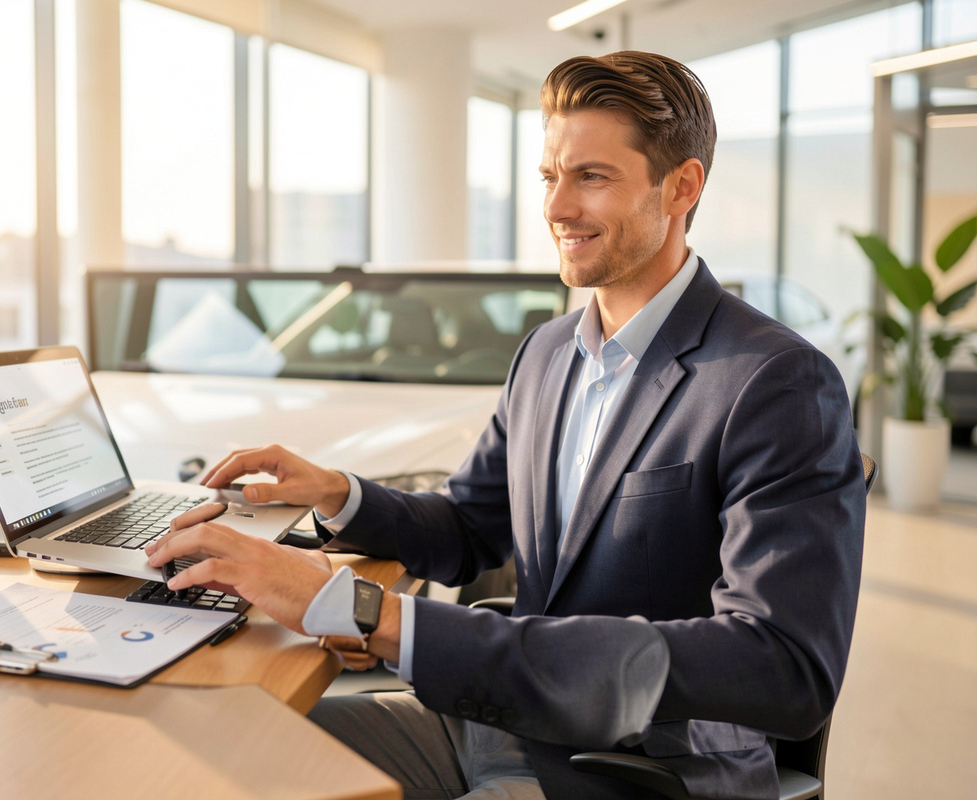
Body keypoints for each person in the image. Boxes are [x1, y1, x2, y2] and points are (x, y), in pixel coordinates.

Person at [145, 50, 867, 799]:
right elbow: (469, 529)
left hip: (646, 770)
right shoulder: (550, 352)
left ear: (681, 187)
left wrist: (371, 616)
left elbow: (784, 667)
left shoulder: (775, 381)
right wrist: (338, 495)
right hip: (496, 724)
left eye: (592, 177)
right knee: (220, 751)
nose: (556, 208)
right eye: (551, 177)